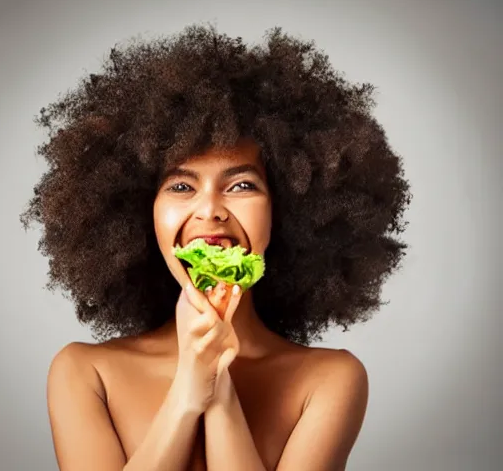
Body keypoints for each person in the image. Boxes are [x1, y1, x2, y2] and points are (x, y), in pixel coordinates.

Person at [20, 24, 412, 471]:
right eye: (182, 185)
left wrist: (217, 385)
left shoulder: (330, 380)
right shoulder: (83, 372)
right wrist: (187, 392)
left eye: (242, 184)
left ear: (286, 211)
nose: (210, 210)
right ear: (138, 213)